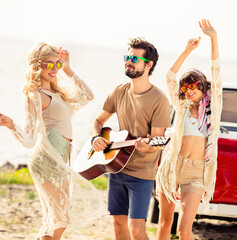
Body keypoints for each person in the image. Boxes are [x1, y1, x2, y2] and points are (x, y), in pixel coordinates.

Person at [0, 43, 104, 240]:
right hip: (46, 159)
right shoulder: (35, 95)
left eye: (57, 64)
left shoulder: (59, 94)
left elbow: (88, 96)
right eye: (50, 65)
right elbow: (29, 140)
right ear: (37, 66)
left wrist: (68, 68)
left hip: (61, 157)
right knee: (60, 219)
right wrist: (11, 124)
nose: (54, 69)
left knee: (54, 220)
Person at [90, 38, 170, 240]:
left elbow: (157, 141)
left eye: (134, 58)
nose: (128, 62)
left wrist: (147, 147)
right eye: (127, 57)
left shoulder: (159, 100)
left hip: (142, 174)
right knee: (118, 225)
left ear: (148, 64)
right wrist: (95, 138)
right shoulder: (119, 91)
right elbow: (97, 121)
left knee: (136, 230)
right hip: (116, 167)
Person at [156, 19, 222, 240]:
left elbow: (216, 70)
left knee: (184, 230)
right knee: (165, 223)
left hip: (196, 171)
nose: (189, 90)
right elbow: (169, 77)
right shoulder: (181, 106)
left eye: (193, 85)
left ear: (203, 86)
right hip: (172, 164)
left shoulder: (213, 108)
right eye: (186, 87)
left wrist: (213, 38)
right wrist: (187, 50)